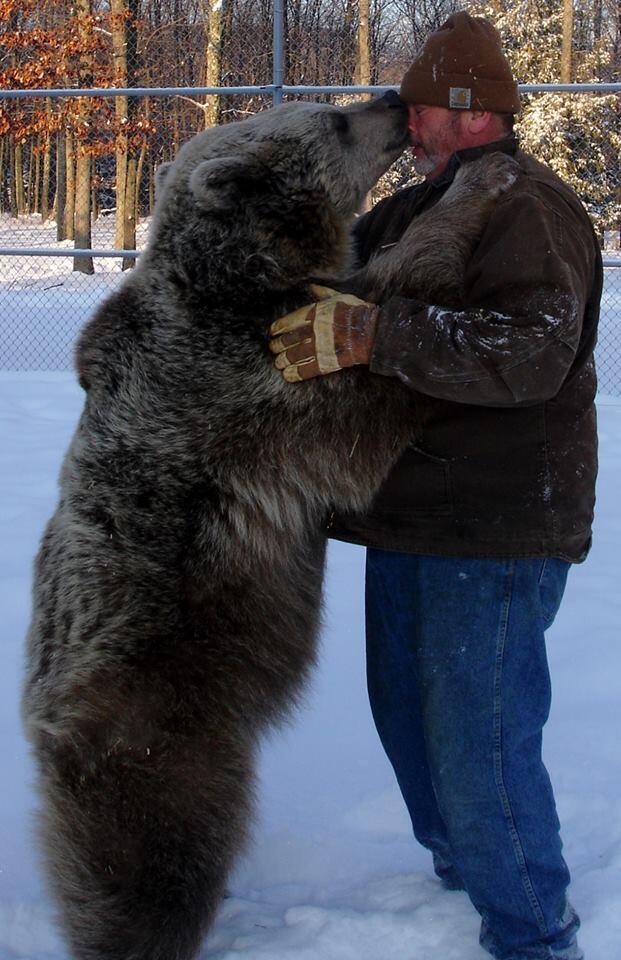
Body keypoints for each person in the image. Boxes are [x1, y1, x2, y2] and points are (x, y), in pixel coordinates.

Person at [269, 11, 602, 960]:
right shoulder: (422, 206)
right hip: (409, 512)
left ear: (466, 112)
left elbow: (531, 353)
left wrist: (376, 336)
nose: (405, 124)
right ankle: (464, 866)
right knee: (408, 719)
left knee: (479, 738)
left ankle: (530, 928)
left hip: (496, 523)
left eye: (418, 109)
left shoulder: (526, 208)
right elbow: (334, 275)